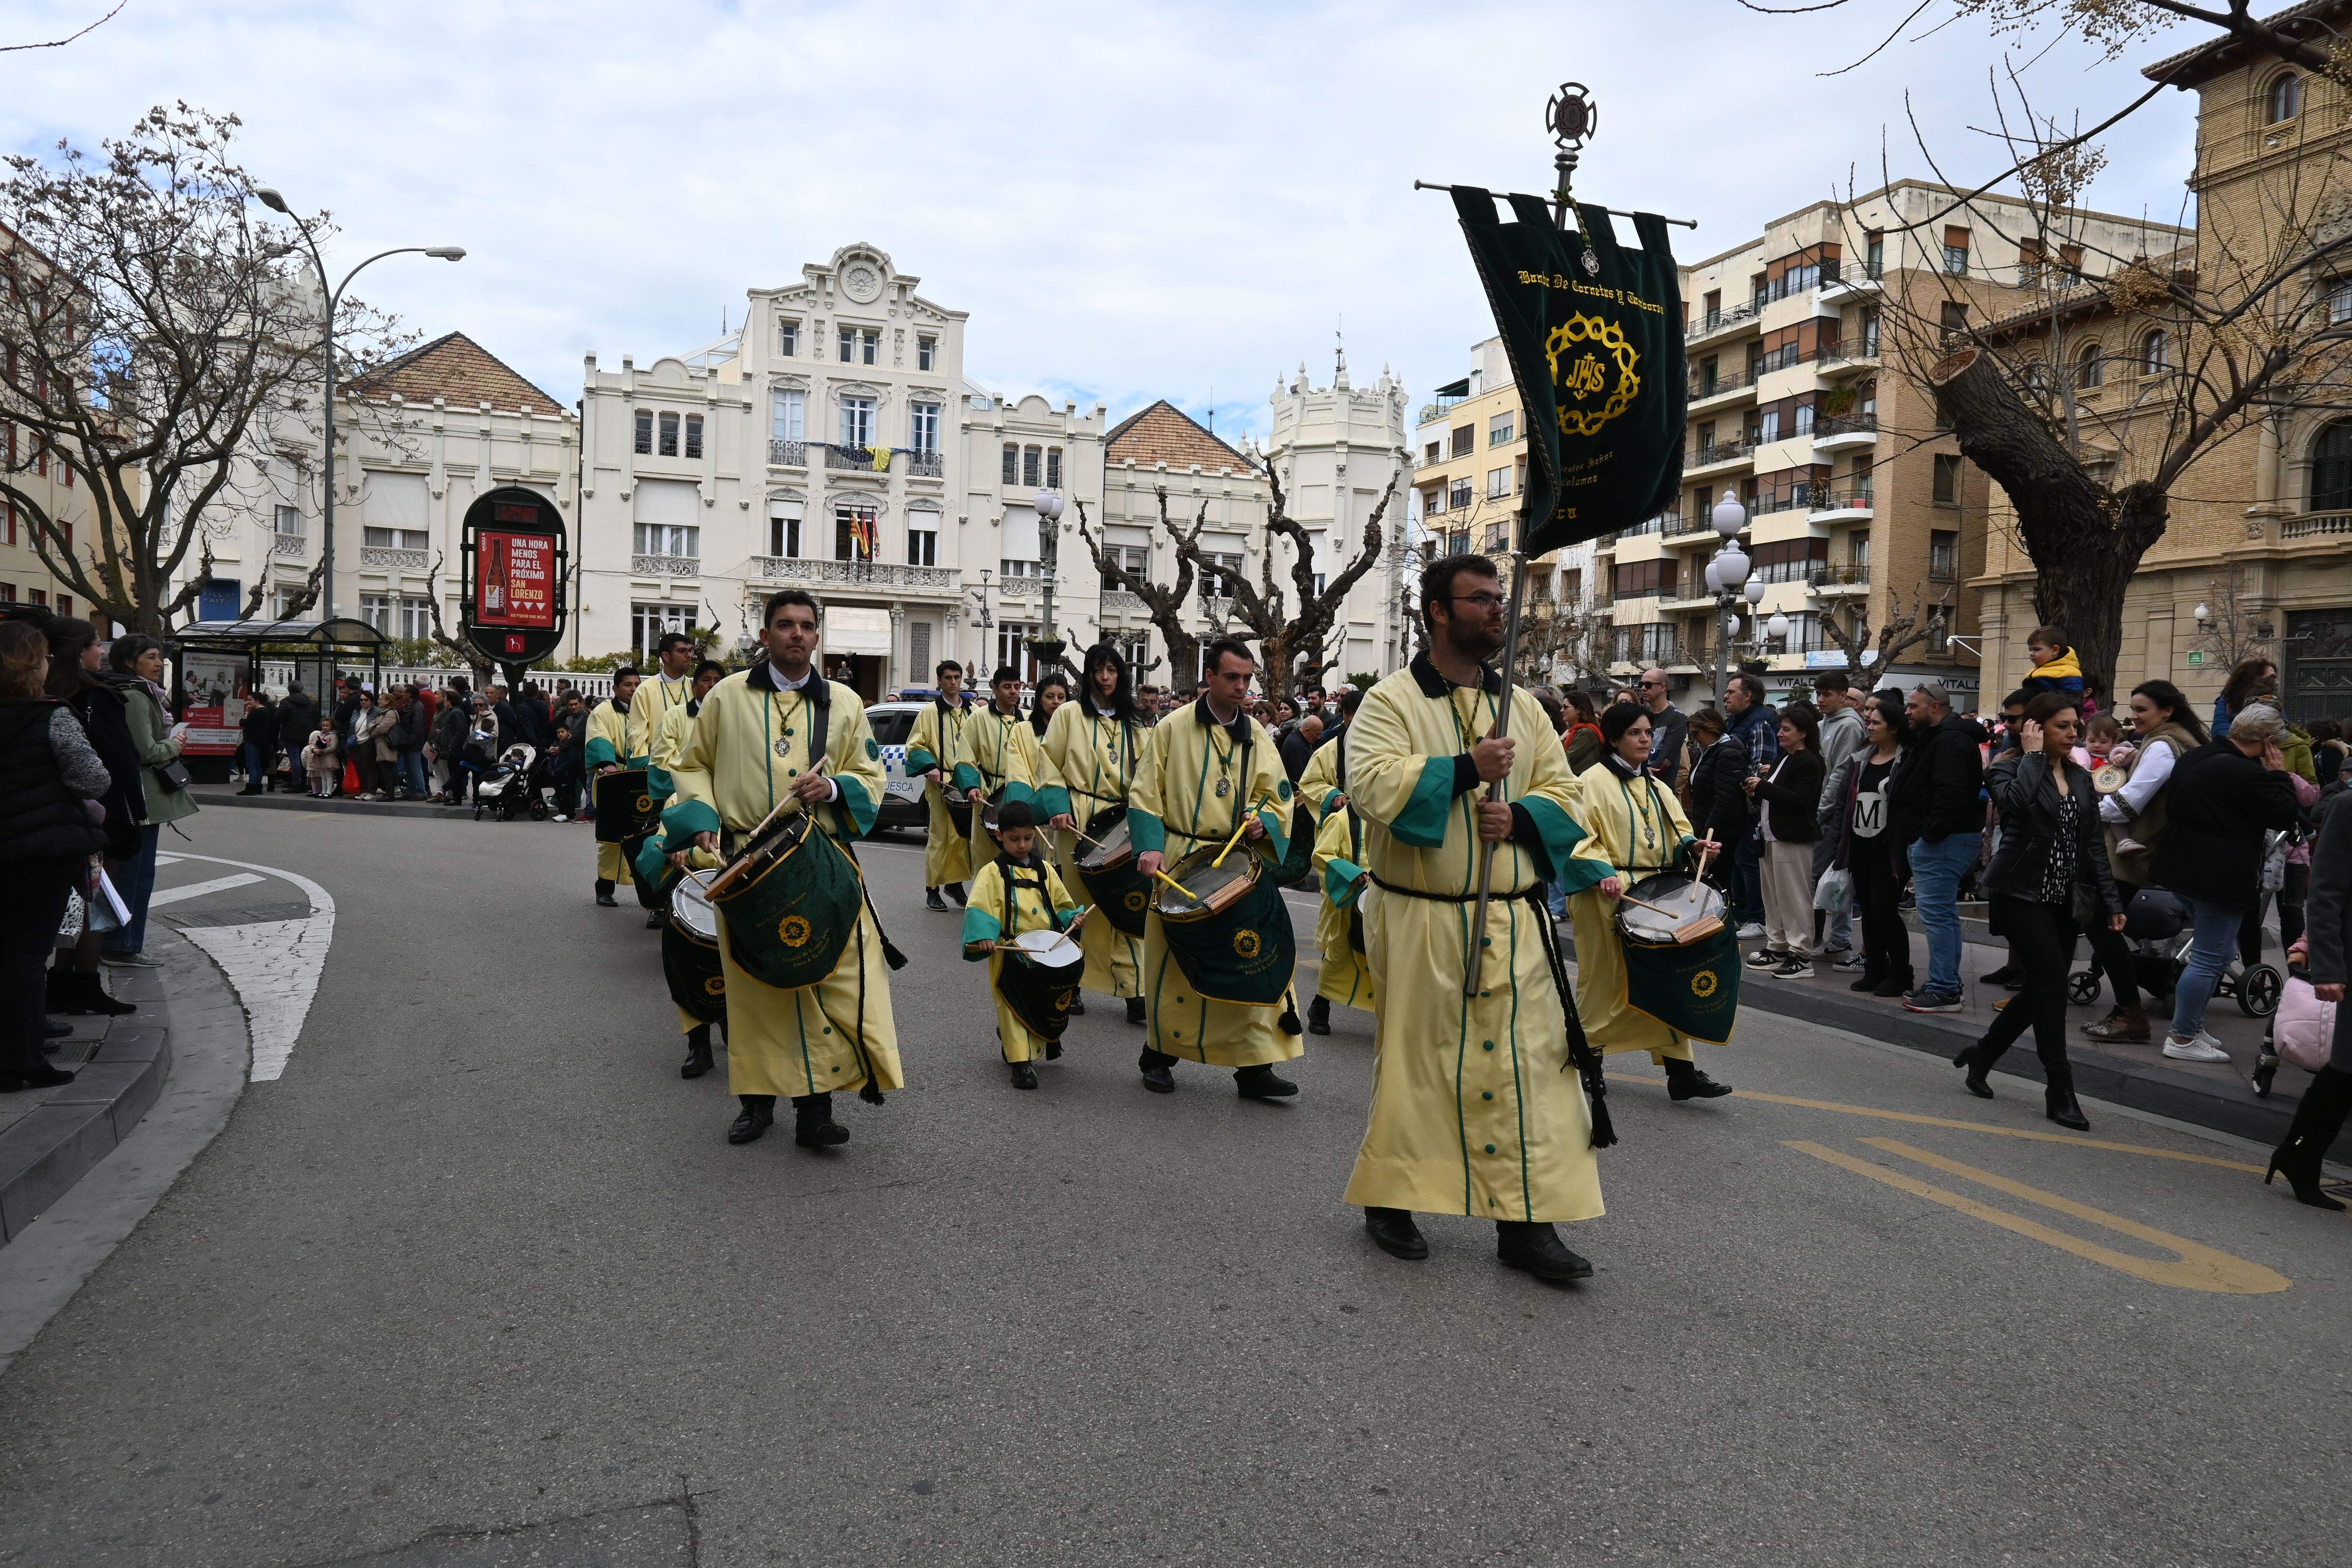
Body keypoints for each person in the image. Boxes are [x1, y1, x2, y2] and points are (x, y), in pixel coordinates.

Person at [1343, 554, 1615, 1282]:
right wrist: (1465, 768)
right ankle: (1392, 1198)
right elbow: (1368, 785)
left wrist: (1520, 817)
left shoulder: (1522, 707)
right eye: (1480, 599)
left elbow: (1568, 794)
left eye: (1500, 599)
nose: (1497, 609)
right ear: (1437, 609)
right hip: (1421, 917)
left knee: (1530, 1072)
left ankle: (1525, 1223)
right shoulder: (1391, 701)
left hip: (1514, 921)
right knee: (1418, 1065)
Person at [664, 590, 901, 1149]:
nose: (797, 634)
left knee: (819, 979)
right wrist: (702, 820)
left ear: (818, 637)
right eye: (785, 625)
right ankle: (756, 1104)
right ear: (765, 636)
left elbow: (870, 776)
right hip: (750, 866)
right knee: (756, 985)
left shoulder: (844, 702)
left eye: (806, 626)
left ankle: (815, 1112)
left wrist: (835, 785)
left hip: (817, 860)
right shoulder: (725, 696)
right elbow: (690, 765)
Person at [1129, 638, 1301, 1098]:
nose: (1242, 687)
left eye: (1248, 678)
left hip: (1237, 865)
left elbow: (1278, 796)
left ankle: (1254, 1067)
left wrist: (1262, 825)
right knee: (1173, 964)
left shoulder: (1258, 735)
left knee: (1251, 957)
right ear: (1210, 676)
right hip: (1183, 860)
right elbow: (1145, 792)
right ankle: (1159, 1054)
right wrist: (1149, 847)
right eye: (1232, 677)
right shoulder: (1172, 727)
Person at [1953, 694, 2124, 1130]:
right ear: (2035, 729)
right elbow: (2017, 808)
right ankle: (2060, 1089)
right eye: (2062, 726)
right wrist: (2031, 759)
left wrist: (2111, 900)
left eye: (2075, 727)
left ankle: (1984, 1054)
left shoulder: (2084, 779)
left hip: (2066, 901)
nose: (2073, 734)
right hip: (2019, 893)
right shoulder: (2007, 768)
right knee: (2051, 984)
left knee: (2042, 988)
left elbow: (2092, 846)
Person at [1567, 701, 1735, 1100]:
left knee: (1667, 983)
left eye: (1648, 733)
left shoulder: (1657, 786)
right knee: (1606, 984)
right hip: (1607, 896)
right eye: (1635, 734)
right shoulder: (1588, 783)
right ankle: (1589, 1064)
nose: (1645, 740)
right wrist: (1600, 872)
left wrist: (1696, 847)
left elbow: (1679, 833)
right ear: (1614, 739)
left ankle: (1681, 1073)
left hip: (1658, 897)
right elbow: (1576, 841)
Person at [2151, 704, 2303, 1062]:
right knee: (2209, 957)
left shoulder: (2198, 756)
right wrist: (2279, 774)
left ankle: (2192, 1025)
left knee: (2215, 954)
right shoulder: (2244, 772)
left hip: (2180, 869)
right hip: (2219, 878)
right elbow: (2283, 812)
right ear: (2268, 740)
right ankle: (2183, 1037)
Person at [0, 620, 110, 1092]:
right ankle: (22, 1060)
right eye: (43, 659)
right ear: (31, 665)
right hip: (38, 852)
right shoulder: (51, 717)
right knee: (25, 955)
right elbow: (94, 781)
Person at [1036, 643, 1151, 1026]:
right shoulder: (1068, 714)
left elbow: (1151, 774)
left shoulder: (1135, 723)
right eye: (1099, 670)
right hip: (1080, 819)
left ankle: (1135, 992)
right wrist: (1058, 806)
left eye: (1112, 670)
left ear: (1121, 675)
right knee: (1078, 907)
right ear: (1088, 674)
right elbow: (1048, 761)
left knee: (1129, 904)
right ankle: (1075, 984)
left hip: (1124, 823)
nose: (1105, 677)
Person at [43, 618, 142, 1017]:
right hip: (100, 815)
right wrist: (130, 817)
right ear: (79, 651)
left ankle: (60, 981)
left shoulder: (46, 693)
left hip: (50, 815)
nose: (102, 652)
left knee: (68, 902)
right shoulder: (97, 696)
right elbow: (121, 762)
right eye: (97, 645)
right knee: (95, 901)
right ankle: (83, 981)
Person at [960, 799, 1089, 1090]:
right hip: (1010, 952)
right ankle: (1021, 1064)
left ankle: (1013, 1038)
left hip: (1043, 953)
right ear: (999, 836)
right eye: (1014, 839)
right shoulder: (991, 873)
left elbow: (1061, 905)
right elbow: (979, 908)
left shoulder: (1045, 870)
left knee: (1037, 1001)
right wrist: (985, 935)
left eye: (1028, 838)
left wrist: (1073, 919)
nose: (1022, 845)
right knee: (1011, 1003)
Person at [2268, 783, 2352, 1209]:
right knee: (2344, 1068)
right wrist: (2329, 966)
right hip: (2347, 960)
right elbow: (2326, 893)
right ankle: (2299, 1154)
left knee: (2345, 1074)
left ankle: (2296, 1153)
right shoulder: (2348, 806)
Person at [1891, 679, 1985, 1012]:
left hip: (1944, 841)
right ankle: (1944, 983)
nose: (1907, 712)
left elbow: (1951, 793)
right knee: (1939, 914)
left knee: (1938, 916)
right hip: (1939, 839)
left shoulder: (1950, 741)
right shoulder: (1938, 738)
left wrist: (1928, 834)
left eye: (1914, 706)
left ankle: (1945, 989)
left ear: (1935, 707)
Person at [104, 635, 193, 968]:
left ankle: (117, 943)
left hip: (129, 796)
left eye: (160, 658)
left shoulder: (132, 692)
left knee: (131, 872)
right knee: (136, 875)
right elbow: (144, 751)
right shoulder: (136, 696)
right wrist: (175, 745)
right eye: (151, 657)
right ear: (130, 662)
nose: (159, 664)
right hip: (139, 798)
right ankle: (122, 945)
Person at [1826, 690, 1912, 997]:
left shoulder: (1905, 762)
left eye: (1876, 722)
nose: (1870, 726)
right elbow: (1844, 806)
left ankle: (1901, 973)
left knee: (1884, 911)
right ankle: (1875, 969)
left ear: (1894, 728)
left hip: (1888, 851)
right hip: (1859, 847)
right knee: (1870, 912)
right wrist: (1840, 847)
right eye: (1869, 721)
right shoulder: (1861, 760)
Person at [1744, 700, 1825, 978]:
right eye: (1781, 728)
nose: (1780, 734)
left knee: (1794, 898)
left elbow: (1801, 801)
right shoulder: (1785, 758)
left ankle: (1801, 955)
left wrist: (1764, 787)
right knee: (1774, 897)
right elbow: (1778, 793)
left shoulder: (1809, 761)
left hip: (1792, 838)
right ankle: (1778, 946)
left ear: (1803, 733)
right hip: (1771, 837)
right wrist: (1760, 787)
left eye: (1787, 729)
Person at [909, 660, 979, 912]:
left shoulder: (974, 712)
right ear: (939, 681)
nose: (953, 682)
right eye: (948, 678)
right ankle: (933, 890)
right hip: (942, 784)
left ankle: (956, 885)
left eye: (957, 677)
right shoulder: (929, 713)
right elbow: (915, 746)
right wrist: (931, 767)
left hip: (967, 783)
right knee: (940, 837)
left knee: (964, 838)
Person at [968, 665, 1043, 882]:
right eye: (1007, 687)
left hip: (1023, 792)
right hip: (989, 794)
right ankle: (987, 901)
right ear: (994, 689)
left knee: (1023, 849)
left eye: (1017, 687)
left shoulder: (1029, 719)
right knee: (988, 854)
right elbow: (965, 758)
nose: (1014, 692)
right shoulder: (979, 718)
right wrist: (972, 786)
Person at [1810, 672, 1865, 966]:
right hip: (1821, 810)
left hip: (1834, 814)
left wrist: (1822, 810)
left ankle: (1834, 938)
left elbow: (1840, 773)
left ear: (1844, 696)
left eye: (1827, 694)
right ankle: (1835, 938)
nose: (1821, 699)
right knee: (1828, 877)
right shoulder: (1822, 725)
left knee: (1829, 877)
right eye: (1818, 693)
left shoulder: (1850, 726)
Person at [1723, 673, 1777, 936]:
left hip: (1750, 807)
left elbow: (1760, 768)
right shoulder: (1736, 722)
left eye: (1732, 692)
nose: (1725, 696)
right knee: (1736, 859)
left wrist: (1748, 796)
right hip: (1735, 805)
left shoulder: (1760, 723)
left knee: (1749, 860)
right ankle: (1741, 914)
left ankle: (1757, 918)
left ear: (1749, 696)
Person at [584, 667, 643, 906]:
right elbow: (598, 737)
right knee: (611, 835)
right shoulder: (603, 711)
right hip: (615, 777)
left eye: (637, 684)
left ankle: (650, 895)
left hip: (642, 777)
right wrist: (608, 764)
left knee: (645, 835)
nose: (634, 689)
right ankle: (604, 888)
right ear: (616, 688)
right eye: (628, 685)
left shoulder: (647, 708)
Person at [629, 632, 698, 767]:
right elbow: (638, 734)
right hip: (658, 769)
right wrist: (647, 768)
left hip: (691, 766)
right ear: (666, 656)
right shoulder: (646, 690)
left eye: (690, 651)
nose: (689, 655)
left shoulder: (694, 688)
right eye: (682, 651)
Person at [1637, 668, 1687, 790]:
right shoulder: (1640, 715)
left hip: (1661, 787)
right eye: (1641, 684)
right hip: (1638, 783)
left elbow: (1668, 755)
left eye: (1649, 685)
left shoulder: (1677, 718)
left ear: (1663, 687)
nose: (1643, 688)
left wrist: (1642, 772)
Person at [2017, 626, 2086, 705]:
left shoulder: (2069, 672)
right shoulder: (2033, 672)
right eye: (2030, 650)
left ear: (2055, 650)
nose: (2032, 654)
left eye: (2037, 650)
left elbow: (2074, 702)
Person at [2211, 656, 2276, 736]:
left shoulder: (2275, 704)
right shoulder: (2226, 704)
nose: (2277, 683)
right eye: (2272, 677)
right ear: (2254, 678)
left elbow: (2283, 734)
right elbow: (2222, 735)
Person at [278, 681, 319, 791]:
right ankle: (305, 783)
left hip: (290, 734)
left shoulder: (286, 703)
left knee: (294, 759)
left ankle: (296, 783)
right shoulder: (310, 703)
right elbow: (315, 719)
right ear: (301, 689)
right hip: (306, 733)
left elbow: (278, 718)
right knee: (303, 758)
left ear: (289, 690)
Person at [389, 687, 429, 800]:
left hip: (413, 744)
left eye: (405, 693)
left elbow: (417, 728)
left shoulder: (417, 708)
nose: (403, 695)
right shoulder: (409, 706)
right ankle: (411, 790)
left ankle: (421, 791)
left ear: (410, 694)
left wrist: (409, 740)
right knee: (409, 768)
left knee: (416, 768)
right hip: (408, 743)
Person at [1563, 688, 1605, 774]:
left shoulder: (1586, 732)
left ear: (1579, 710)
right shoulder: (1575, 731)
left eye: (1565, 707)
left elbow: (1565, 761)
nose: (1562, 710)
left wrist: (1561, 740)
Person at [302, 716, 340, 798]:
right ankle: (323, 791)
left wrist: (322, 751)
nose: (325, 728)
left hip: (329, 758)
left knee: (329, 775)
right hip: (320, 759)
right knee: (322, 775)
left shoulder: (333, 736)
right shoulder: (320, 734)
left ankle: (329, 792)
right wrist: (314, 750)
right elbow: (313, 743)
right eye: (324, 726)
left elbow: (333, 747)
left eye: (327, 726)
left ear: (332, 726)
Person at [1279, 712, 1323, 782]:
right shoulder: (1297, 746)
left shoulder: (1297, 739)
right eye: (1317, 734)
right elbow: (1302, 778)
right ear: (1307, 731)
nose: (1319, 738)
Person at [1028, 670, 1069, 740]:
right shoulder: (1023, 731)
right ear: (1040, 700)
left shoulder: (1075, 730)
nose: (1056, 702)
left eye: (1061, 697)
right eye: (1050, 697)